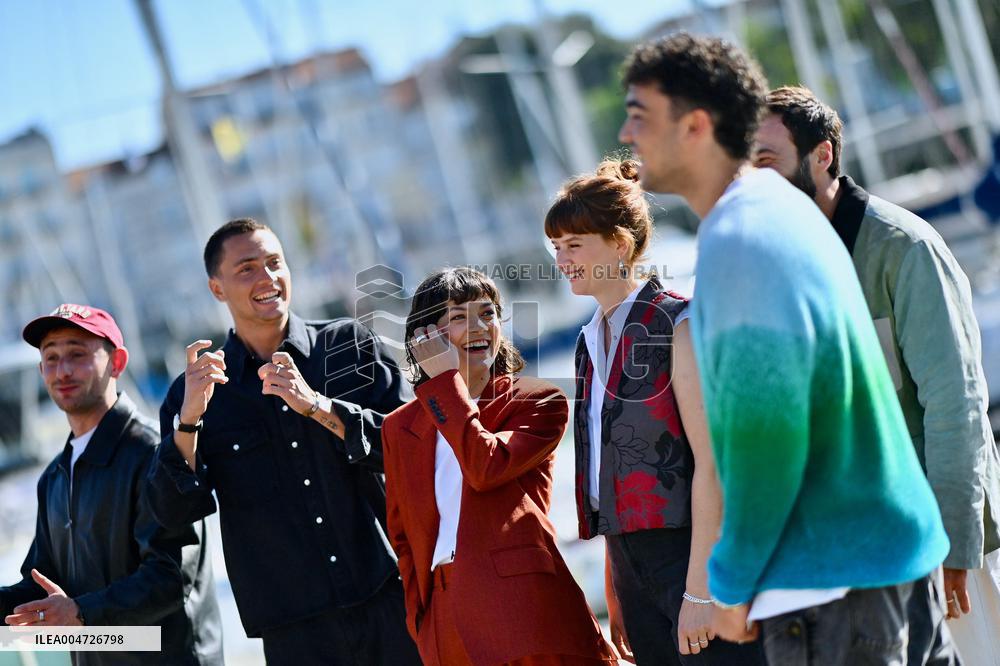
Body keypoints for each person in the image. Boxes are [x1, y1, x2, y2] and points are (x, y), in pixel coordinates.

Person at [618, 33, 958, 665]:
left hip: (829, 588)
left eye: (639, 114)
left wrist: (732, 583)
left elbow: (765, 435)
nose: (625, 131)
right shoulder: (782, 207)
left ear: (695, 124)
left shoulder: (739, 236)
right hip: (885, 560)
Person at [753, 84, 1000, 662]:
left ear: (823, 156)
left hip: (945, 548)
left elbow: (955, 404)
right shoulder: (778, 267)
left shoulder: (904, 247)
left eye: (766, 159)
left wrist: (954, 543)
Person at [145, 218, 420, 665]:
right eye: (247, 268)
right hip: (294, 632)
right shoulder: (193, 392)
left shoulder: (346, 346)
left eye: (275, 262)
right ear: (217, 289)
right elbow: (172, 514)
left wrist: (318, 407)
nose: (267, 277)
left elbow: (414, 446)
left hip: (390, 597)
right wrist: (190, 420)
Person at [545, 159, 765, 666]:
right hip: (631, 568)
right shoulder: (586, 342)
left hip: (691, 555)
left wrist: (699, 592)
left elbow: (713, 465)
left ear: (619, 244)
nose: (562, 259)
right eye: (556, 247)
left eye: (574, 245)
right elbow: (609, 474)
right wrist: (618, 586)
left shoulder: (678, 324)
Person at [382, 267, 616, 666]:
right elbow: (403, 536)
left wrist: (443, 386)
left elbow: (484, 466)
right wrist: (421, 621)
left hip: (522, 612)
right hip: (444, 619)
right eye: (458, 317)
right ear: (425, 338)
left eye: (488, 313)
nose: (479, 326)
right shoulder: (399, 427)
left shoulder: (537, 401)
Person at [2, 304, 222, 665]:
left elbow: (170, 579)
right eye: (51, 358)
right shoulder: (55, 476)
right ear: (41, 371)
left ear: (117, 362)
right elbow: (41, 586)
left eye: (77, 354)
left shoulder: (155, 451)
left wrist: (79, 613)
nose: (63, 370)